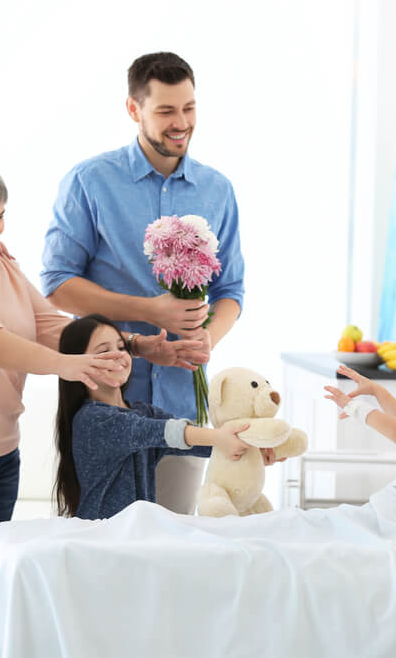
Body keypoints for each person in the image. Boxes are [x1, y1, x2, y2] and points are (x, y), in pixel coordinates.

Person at [0, 157, 207, 657]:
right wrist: (67, 367)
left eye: (1, 216)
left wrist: (136, 348)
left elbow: (50, 326)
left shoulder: (1, 265)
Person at [41, 51, 245, 514]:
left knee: (173, 545)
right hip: (106, 402)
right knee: (104, 548)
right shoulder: (89, 182)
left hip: (181, 401)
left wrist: (206, 338)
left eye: (189, 108)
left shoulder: (218, 190)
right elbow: (56, 283)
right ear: (134, 110)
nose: (181, 123)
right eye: (166, 111)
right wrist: (150, 310)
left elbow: (230, 291)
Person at [54, 315, 260, 519]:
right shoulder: (93, 419)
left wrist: (250, 447)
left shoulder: (143, 412)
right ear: (77, 365)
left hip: (135, 534)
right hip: (103, 537)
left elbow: (192, 442)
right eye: (104, 350)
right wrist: (219, 438)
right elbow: (161, 432)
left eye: (121, 347)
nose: (118, 355)